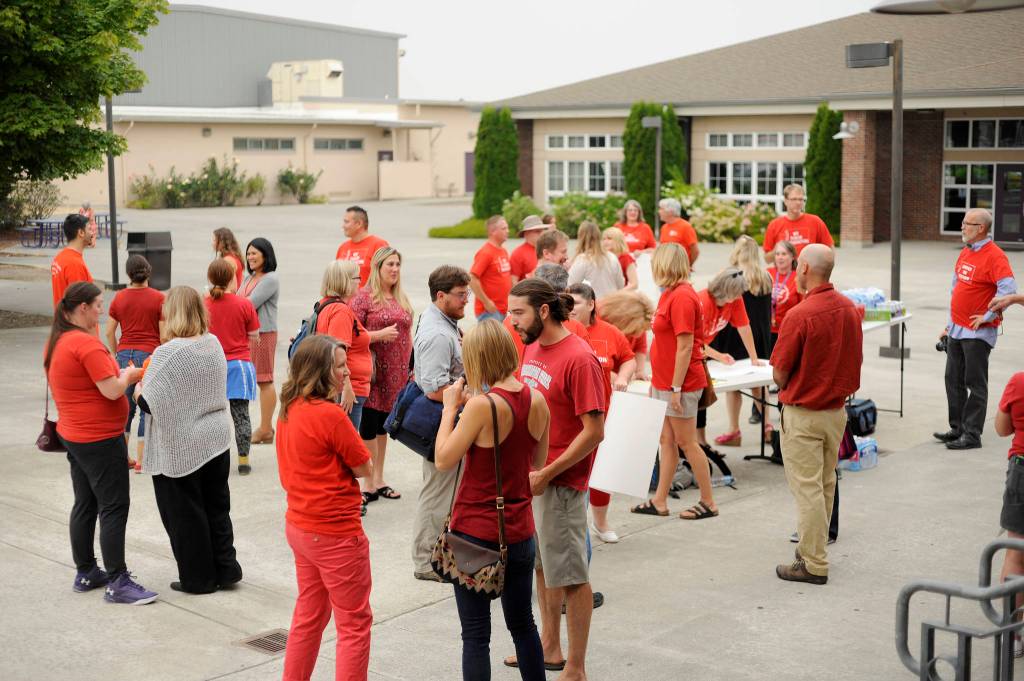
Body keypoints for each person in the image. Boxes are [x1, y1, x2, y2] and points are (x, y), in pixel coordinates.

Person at [434, 320, 549, 681]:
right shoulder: (537, 399)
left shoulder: (482, 405)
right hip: (519, 530)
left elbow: (442, 459)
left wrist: (449, 409)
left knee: (476, 634)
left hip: (477, 532)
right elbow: (538, 465)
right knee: (523, 624)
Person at [506, 278, 606, 679]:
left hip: (560, 483)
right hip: (532, 479)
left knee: (571, 575)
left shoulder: (579, 358)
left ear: (543, 311)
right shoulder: (531, 346)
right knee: (542, 566)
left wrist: (548, 472)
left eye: (519, 312)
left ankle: (576, 667)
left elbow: (594, 430)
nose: (512, 321)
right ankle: (549, 646)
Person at [45, 281, 157, 604]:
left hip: (74, 434)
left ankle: (86, 570)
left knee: (85, 502)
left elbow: (90, 382)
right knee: (114, 505)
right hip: (99, 438)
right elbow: (110, 390)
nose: (101, 311)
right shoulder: (86, 345)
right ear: (82, 308)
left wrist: (117, 374)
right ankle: (117, 580)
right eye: (97, 305)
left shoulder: (57, 341)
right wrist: (131, 376)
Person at [276, 335, 374, 681]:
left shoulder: (289, 408)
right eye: (340, 366)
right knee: (354, 624)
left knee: (309, 615)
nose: (347, 372)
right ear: (320, 371)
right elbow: (365, 468)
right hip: (335, 534)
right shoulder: (330, 416)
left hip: (301, 528)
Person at [139, 286, 242, 594]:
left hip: (183, 446)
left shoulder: (168, 354)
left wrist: (136, 388)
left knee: (185, 514)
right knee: (216, 507)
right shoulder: (213, 343)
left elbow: (148, 401)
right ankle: (226, 567)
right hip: (216, 437)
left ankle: (198, 579)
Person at [771, 244, 862, 585]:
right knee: (824, 484)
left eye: (797, 265)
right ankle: (814, 550)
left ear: (805, 267)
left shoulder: (800, 314)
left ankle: (813, 562)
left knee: (808, 488)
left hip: (805, 412)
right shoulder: (850, 309)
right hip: (836, 411)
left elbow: (780, 372)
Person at [631, 243, 717, 520]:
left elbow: (685, 345)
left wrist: (676, 388)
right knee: (666, 440)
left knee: (686, 442)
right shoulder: (670, 294)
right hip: (665, 381)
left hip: (680, 383)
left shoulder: (682, 297)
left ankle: (708, 502)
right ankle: (660, 501)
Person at [935, 208, 1017, 451]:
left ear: (981, 228)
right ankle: (957, 428)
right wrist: (949, 325)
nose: (962, 227)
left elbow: (1008, 290)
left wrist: (988, 315)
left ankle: (972, 434)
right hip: (958, 330)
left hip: (977, 334)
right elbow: (955, 289)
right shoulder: (966, 253)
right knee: (953, 380)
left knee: (975, 383)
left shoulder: (996, 256)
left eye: (966, 223)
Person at [411, 265, 471, 582]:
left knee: (445, 492)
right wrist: (469, 396)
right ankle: (424, 562)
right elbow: (435, 390)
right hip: (441, 425)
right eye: (461, 295)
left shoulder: (442, 322)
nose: (467, 301)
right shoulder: (437, 334)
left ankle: (438, 555)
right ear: (441, 296)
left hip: (447, 423)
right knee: (437, 493)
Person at [568, 283, 636, 544]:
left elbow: (628, 358)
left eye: (575, 304)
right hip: (571, 417)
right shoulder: (564, 330)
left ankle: (600, 522)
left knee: (602, 470)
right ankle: (578, 525)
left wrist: (625, 376)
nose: (570, 309)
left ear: (591, 304)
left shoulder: (609, 332)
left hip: (601, 414)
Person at [350, 247, 414, 505]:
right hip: (373, 371)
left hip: (397, 373)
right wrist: (377, 336)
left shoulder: (400, 296)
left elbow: (407, 334)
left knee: (382, 427)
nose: (395, 269)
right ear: (378, 267)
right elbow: (351, 333)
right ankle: (367, 481)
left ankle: (379, 478)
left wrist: (411, 366)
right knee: (368, 424)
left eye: (398, 264)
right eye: (390, 264)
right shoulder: (363, 298)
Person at [104, 254, 165, 471]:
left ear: (129, 274)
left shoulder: (119, 298)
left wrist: (116, 351)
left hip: (124, 353)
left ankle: (123, 457)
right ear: (148, 271)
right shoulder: (158, 298)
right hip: (148, 354)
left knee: (126, 408)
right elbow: (164, 334)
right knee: (145, 406)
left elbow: (109, 331)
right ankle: (141, 460)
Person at [204, 259, 259, 475]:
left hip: (211, 363)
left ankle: (213, 457)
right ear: (232, 278)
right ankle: (243, 459)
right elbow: (254, 335)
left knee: (211, 415)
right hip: (238, 365)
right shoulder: (244, 304)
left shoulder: (204, 303)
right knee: (241, 414)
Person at [699, 267, 765, 447]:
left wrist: (753, 358)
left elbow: (744, 327)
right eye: (736, 294)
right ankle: (700, 443)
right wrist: (719, 356)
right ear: (725, 291)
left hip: (701, 351)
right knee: (698, 398)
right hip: (687, 351)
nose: (738, 299)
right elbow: (692, 341)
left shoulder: (734, 300)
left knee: (702, 397)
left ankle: (701, 443)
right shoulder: (703, 302)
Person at [711, 237, 773, 428]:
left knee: (734, 384)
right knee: (759, 383)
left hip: (736, 333)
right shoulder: (766, 276)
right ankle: (767, 426)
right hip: (760, 333)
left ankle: (733, 428)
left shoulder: (732, 276)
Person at [315, 260, 373, 436]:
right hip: (348, 389)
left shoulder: (327, 304)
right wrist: (347, 388)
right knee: (346, 444)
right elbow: (338, 353)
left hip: (341, 386)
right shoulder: (340, 311)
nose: (360, 282)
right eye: (357, 277)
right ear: (345, 281)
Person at [502, 263, 590, 362]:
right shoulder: (577, 328)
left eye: (519, 312)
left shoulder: (508, 324)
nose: (513, 321)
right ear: (566, 291)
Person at [240, 238, 280, 445]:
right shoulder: (249, 278)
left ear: (266, 254)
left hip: (263, 334)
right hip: (248, 335)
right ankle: (264, 428)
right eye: (248, 254)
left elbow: (247, 304)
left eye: (254, 253)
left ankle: (266, 428)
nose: (250, 257)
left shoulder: (270, 279)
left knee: (264, 379)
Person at [996, 369, 1024, 657]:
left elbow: (1002, 429)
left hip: (1022, 470)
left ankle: (1013, 632)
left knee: (1015, 553)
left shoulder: (1019, 382)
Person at [597, 290, 654, 381]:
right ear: (624, 319)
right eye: (634, 331)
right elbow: (596, 365)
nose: (638, 334)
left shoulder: (640, 322)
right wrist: (620, 377)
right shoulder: (597, 320)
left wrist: (639, 371)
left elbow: (640, 347)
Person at [762, 184, 834, 257]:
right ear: (785, 201)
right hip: (785, 268)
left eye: (801, 199)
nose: (798, 203)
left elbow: (830, 249)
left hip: (809, 268)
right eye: (794, 199)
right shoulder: (774, 225)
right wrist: (778, 250)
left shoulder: (815, 221)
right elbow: (766, 259)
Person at [469, 215, 513, 322]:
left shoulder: (503, 251)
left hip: (503, 310)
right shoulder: (486, 253)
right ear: (492, 231)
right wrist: (486, 302)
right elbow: (472, 278)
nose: (508, 231)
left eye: (507, 228)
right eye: (504, 228)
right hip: (489, 312)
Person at [567, 221, 624, 298]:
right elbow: (620, 285)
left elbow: (569, 286)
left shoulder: (583, 259)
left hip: (595, 305)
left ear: (581, 237)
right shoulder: (611, 257)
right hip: (613, 303)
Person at [336, 205, 389, 285]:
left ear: (359, 224)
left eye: (346, 222)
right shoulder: (343, 247)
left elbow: (387, 277)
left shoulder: (379, 245)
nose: (343, 226)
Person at [51, 214, 96, 309]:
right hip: (76, 323)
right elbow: (80, 306)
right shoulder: (74, 264)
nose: (92, 233)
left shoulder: (60, 258)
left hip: (63, 321)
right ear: (81, 233)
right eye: (89, 229)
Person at [767, 240, 802, 355]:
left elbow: (803, 307)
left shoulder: (798, 278)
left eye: (784, 254)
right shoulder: (767, 274)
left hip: (787, 333)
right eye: (777, 254)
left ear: (792, 257)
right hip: (767, 331)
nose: (780, 257)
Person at [657, 198, 699, 267]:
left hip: (680, 270)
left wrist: (688, 265)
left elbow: (695, 251)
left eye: (661, 209)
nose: (659, 211)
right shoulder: (664, 227)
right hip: (665, 269)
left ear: (670, 211)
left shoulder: (686, 227)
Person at [510, 215, 548, 285]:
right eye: (537, 231)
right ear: (526, 233)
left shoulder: (545, 250)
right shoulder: (518, 253)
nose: (541, 234)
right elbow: (513, 282)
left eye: (542, 231)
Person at [212, 227, 245, 292]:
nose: (212, 243)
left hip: (231, 297)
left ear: (222, 242)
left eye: (214, 240)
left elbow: (230, 287)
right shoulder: (235, 257)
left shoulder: (228, 260)